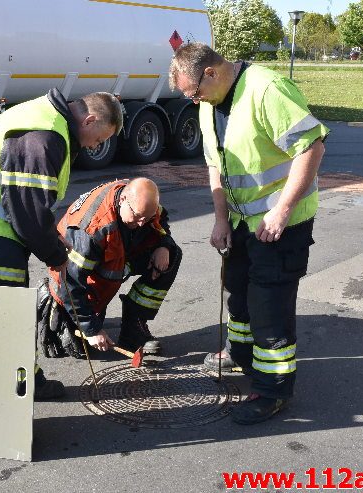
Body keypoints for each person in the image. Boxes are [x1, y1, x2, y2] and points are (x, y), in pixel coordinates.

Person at [169, 43, 328, 424]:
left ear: (211, 72)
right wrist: (220, 219)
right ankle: (240, 355)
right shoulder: (210, 105)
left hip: (281, 224)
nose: (194, 101)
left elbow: (311, 147)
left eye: (194, 92)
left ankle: (272, 390)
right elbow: (215, 165)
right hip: (242, 222)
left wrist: (282, 210)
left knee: (269, 306)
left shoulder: (267, 90)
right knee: (238, 291)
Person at [0, 88, 123, 400]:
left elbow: (28, 201)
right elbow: (26, 212)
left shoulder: (48, 118)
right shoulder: (45, 137)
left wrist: (52, 237)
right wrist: (55, 255)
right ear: (90, 119)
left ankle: (8, 383)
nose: (96, 147)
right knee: (6, 315)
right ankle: (14, 391)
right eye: (100, 139)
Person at [36, 178, 181, 359]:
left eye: (147, 218)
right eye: (137, 217)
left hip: (115, 260)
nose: (143, 223)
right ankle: (59, 308)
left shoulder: (142, 206)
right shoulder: (91, 230)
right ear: (122, 200)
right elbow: (69, 282)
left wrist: (164, 245)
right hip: (76, 285)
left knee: (173, 254)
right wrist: (90, 329)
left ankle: (134, 327)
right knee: (83, 348)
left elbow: (160, 220)